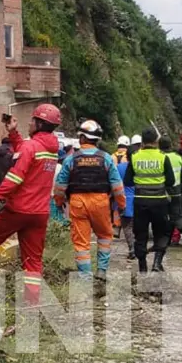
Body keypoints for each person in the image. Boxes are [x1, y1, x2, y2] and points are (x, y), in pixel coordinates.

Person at [0, 105, 61, 305]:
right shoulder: (51, 149)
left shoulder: (31, 147)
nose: (29, 123)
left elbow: (15, 177)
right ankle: (32, 302)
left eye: (32, 120)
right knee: (33, 261)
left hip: (18, 209)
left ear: (39, 123)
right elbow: (26, 152)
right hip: (40, 214)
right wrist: (13, 132)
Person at [54, 119, 124, 280]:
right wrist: (121, 205)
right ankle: (101, 271)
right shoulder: (106, 158)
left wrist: (58, 202)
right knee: (105, 236)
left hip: (77, 203)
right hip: (101, 202)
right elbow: (117, 186)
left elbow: (60, 185)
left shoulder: (71, 159)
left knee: (81, 243)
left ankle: (85, 276)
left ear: (82, 139)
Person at [124, 128, 178, 273]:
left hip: (140, 201)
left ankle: (142, 267)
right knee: (161, 233)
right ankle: (157, 262)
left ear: (142, 141)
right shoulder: (162, 157)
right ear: (156, 141)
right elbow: (171, 181)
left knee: (140, 235)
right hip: (159, 202)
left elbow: (128, 181)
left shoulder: (135, 157)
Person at [161, 135, 182, 252]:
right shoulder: (178, 157)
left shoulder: (161, 157)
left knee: (164, 218)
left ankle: (163, 241)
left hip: (163, 193)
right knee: (178, 216)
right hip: (177, 193)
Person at [118, 136, 139, 259]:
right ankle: (137, 247)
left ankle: (131, 248)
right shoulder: (140, 168)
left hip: (124, 200)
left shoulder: (120, 167)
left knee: (127, 227)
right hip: (139, 200)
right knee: (138, 226)